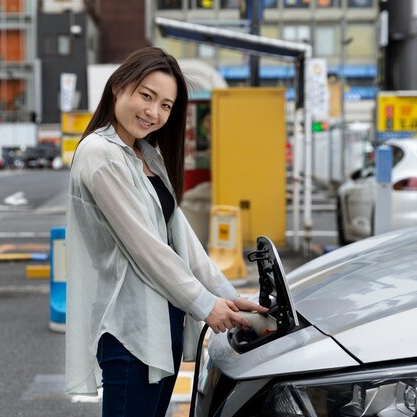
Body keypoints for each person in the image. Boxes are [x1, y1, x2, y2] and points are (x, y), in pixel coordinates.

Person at [64, 47, 266, 417]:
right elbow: (146, 247)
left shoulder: (145, 154)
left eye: (166, 106)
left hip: (165, 322)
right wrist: (205, 305)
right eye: (146, 96)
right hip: (130, 332)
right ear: (118, 87)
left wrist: (229, 297)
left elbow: (181, 238)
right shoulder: (99, 154)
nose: (153, 112)